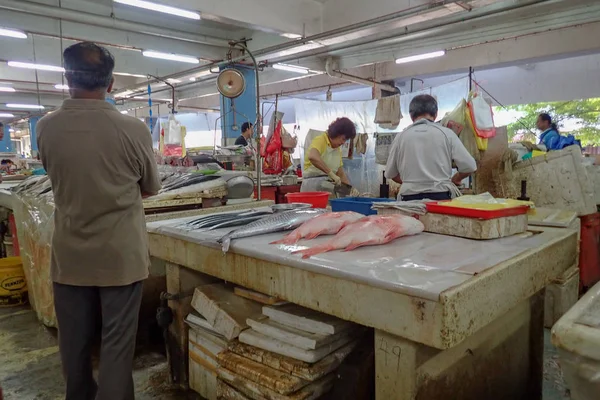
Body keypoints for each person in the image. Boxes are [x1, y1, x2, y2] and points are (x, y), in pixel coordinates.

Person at [36, 42, 161, 400]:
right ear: (110, 84)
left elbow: (58, 177)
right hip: (120, 258)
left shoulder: (46, 128)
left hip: (70, 257)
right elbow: (150, 188)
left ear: (67, 78)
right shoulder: (133, 130)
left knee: (73, 346)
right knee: (116, 348)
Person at [385, 94, 477, 201]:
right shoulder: (447, 134)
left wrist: (412, 184)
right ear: (436, 114)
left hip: (409, 198)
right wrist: (456, 178)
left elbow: (391, 173)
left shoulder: (401, 136)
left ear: (411, 116)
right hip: (441, 196)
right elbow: (470, 166)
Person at [301, 117, 356, 194]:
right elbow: (313, 156)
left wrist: (350, 190)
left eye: (346, 140)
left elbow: (340, 174)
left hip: (327, 188)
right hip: (312, 188)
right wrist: (330, 173)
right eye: (343, 139)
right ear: (337, 133)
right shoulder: (321, 140)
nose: (343, 142)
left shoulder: (338, 150)